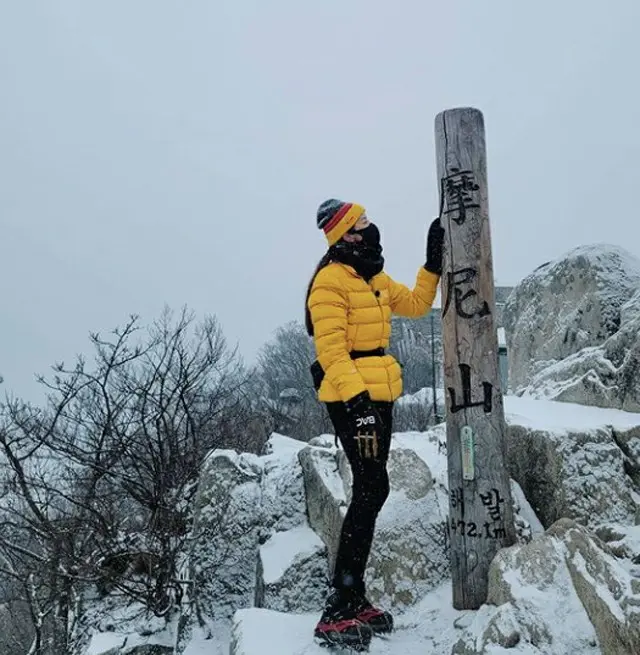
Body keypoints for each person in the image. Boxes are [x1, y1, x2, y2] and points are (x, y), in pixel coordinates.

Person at [305, 198, 444, 650]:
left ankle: (352, 597)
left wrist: (432, 262)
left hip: (378, 396)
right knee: (370, 488)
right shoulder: (329, 283)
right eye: (361, 223)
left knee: (373, 488)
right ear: (345, 234)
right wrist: (358, 402)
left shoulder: (374, 277)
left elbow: (419, 304)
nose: (370, 227)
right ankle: (339, 607)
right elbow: (331, 352)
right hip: (354, 401)